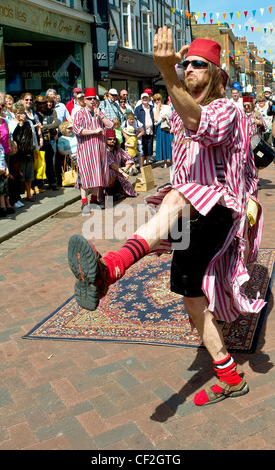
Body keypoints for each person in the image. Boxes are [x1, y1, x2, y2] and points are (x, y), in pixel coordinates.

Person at [68, 30, 264, 407]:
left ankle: (111, 267)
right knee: (189, 295)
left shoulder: (227, 109)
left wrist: (166, 72)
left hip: (221, 209)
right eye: (184, 63)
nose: (188, 69)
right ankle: (229, 376)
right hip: (191, 208)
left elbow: (200, 124)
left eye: (198, 65)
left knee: (175, 198)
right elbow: (182, 157)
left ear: (217, 75)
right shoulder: (178, 112)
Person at [72, 87, 113, 215]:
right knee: (84, 176)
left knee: (97, 174)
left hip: (99, 149)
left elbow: (110, 125)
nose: (92, 101)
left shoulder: (99, 112)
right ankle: (84, 203)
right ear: (84, 100)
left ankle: (94, 201)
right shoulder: (79, 114)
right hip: (85, 150)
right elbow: (77, 130)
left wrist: (100, 117)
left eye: (94, 98)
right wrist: (94, 131)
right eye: (89, 99)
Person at [9, 101, 35, 202]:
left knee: (29, 175)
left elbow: (32, 136)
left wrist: (35, 146)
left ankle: (29, 194)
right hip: (18, 153)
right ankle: (18, 196)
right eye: (18, 113)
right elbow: (13, 136)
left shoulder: (29, 123)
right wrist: (20, 124)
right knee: (19, 175)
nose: (20, 115)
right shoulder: (12, 123)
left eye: (21, 112)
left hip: (28, 151)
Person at [35, 95, 59, 190]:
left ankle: (52, 182)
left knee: (51, 162)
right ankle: (39, 184)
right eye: (40, 103)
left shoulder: (52, 111)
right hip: (39, 140)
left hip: (50, 138)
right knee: (39, 163)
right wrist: (50, 125)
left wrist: (44, 127)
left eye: (44, 103)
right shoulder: (35, 113)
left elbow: (56, 124)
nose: (42, 105)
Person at [106, 128, 137, 199]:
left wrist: (125, 170)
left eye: (114, 139)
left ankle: (117, 191)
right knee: (111, 173)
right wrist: (123, 172)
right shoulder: (105, 151)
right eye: (109, 139)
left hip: (119, 174)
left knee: (132, 192)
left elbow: (129, 158)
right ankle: (110, 197)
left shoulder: (119, 150)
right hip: (108, 176)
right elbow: (111, 164)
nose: (112, 141)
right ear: (106, 140)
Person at [153, 93, 173, 167]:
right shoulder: (154, 109)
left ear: (161, 99)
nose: (157, 101)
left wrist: (166, 117)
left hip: (167, 127)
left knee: (170, 143)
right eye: (155, 100)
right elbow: (156, 119)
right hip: (160, 128)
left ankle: (171, 160)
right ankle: (165, 162)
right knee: (163, 144)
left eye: (158, 99)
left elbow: (172, 117)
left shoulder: (167, 107)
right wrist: (158, 109)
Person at [134, 93, 154, 167]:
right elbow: (135, 119)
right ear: (141, 99)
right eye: (143, 98)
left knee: (149, 147)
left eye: (146, 98)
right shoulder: (138, 108)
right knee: (142, 147)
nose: (145, 99)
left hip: (150, 131)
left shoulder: (152, 107)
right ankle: (141, 165)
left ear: (148, 99)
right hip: (142, 131)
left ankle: (148, 163)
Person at [0, 126, 9, 216]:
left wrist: (6, 169)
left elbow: (3, 158)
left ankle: (3, 208)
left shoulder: (0, 145)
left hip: (2, 172)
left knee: (2, 191)